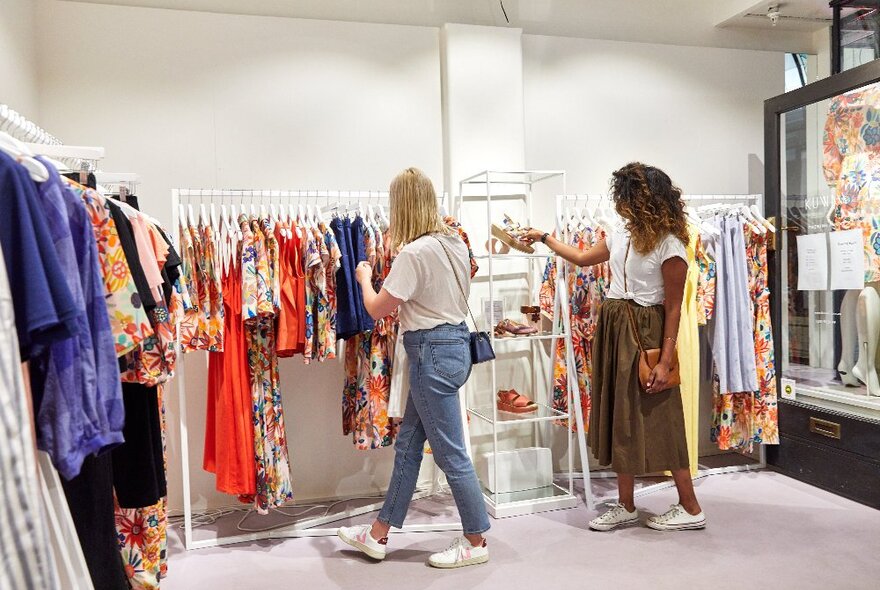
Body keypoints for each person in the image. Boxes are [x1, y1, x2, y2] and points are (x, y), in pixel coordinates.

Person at [523, 162, 706, 532]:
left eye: (624, 197)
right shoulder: (621, 235)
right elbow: (580, 258)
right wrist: (544, 237)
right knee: (620, 416)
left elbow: (673, 309)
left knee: (663, 417)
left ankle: (690, 507)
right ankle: (626, 504)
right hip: (616, 328)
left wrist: (665, 360)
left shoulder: (671, 246)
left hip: (648, 331)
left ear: (643, 201)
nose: (619, 204)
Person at [336, 167, 490, 567]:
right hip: (454, 347)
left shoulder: (413, 252)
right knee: (408, 445)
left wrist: (364, 277)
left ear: (401, 206)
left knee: (451, 453)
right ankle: (378, 533)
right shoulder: (454, 242)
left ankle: (475, 541)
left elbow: (375, 309)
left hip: (429, 354)